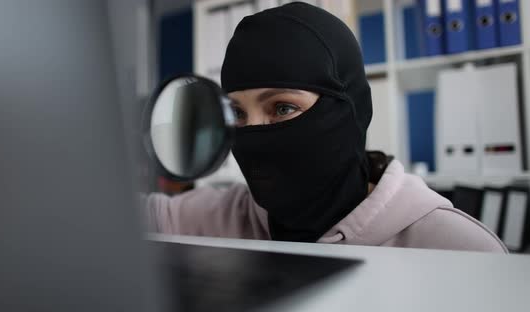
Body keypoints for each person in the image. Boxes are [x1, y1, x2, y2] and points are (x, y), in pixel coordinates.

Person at [145, 2, 507, 253]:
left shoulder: (457, 246)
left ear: (351, 109)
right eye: (237, 114)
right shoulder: (210, 217)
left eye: (282, 108)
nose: (254, 134)